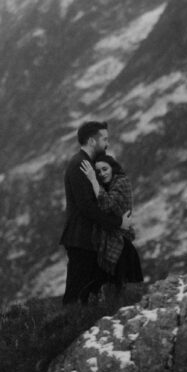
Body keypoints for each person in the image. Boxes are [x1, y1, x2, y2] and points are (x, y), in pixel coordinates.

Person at [59, 121, 129, 304]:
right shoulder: (80, 165)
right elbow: (87, 206)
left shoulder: (89, 163)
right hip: (81, 239)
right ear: (92, 141)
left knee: (90, 293)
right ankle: (70, 328)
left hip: (89, 239)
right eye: (104, 139)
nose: (107, 143)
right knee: (76, 293)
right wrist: (117, 223)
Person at [81, 153, 143, 291]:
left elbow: (107, 204)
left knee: (125, 288)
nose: (102, 173)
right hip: (111, 241)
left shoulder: (121, 182)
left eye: (105, 169)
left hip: (121, 244)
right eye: (98, 172)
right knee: (112, 290)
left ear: (112, 168)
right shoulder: (106, 187)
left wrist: (93, 179)